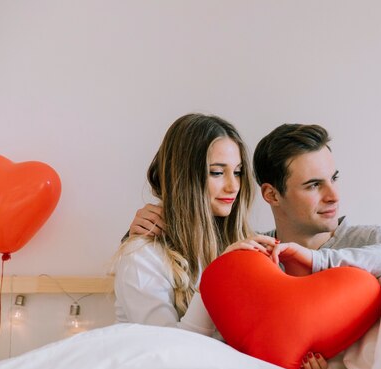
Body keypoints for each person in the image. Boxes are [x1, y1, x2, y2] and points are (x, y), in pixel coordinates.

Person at [128, 123, 381, 369]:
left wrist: (320, 261)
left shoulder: (363, 240)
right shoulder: (251, 255)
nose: (334, 196)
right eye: (313, 185)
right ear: (271, 194)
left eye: (333, 179)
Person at [113, 113, 277, 334]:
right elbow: (171, 351)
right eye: (217, 172)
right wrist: (218, 278)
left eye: (237, 172)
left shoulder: (242, 246)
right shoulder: (142, 257)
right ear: (183, 177)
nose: (233, 186)